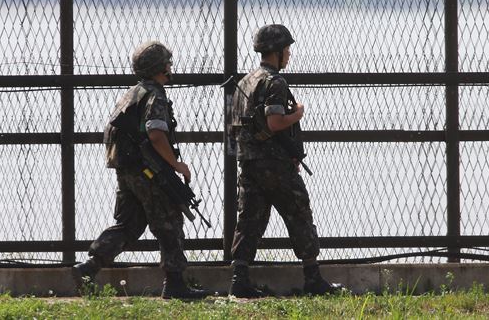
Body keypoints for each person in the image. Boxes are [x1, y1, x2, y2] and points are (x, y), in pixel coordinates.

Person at [71, 41, 208, 299]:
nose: (170, 66)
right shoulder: (155, 94)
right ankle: (175, 284)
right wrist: (176, 165)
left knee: (129, 224)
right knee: (169, 223)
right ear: (159, 68)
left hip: (128, 171)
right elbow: (156, 134)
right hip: (148, 171)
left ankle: (90, 266)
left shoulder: (132, 93)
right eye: (167, 63)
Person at [228, 24, 344, 297]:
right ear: (277, 52)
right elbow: (275, 121)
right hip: (275, 165)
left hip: (249, 163)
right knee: (299, 213)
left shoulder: (246, 81)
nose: (289, 55)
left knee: (249, 219)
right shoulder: (274, 82)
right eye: (287, 50)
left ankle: (239, 279)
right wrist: (298, 114)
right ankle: (313, 277)